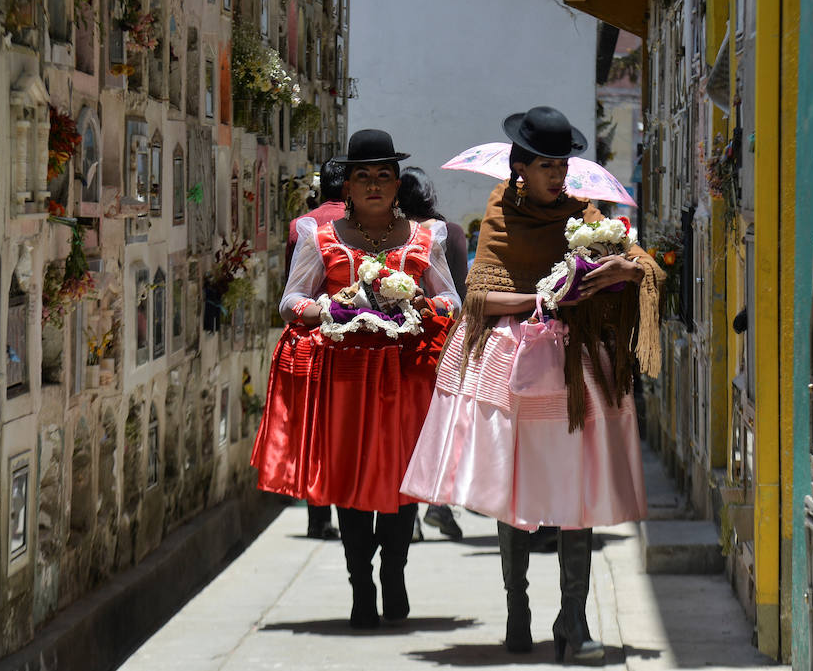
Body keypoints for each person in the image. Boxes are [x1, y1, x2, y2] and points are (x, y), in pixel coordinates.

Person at [402, 106, 663, 662]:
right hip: (514, 367)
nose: (557, 175)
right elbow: (479, 298)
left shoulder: (585, 212)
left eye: (562, 163)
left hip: (580, 367)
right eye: (546, 164)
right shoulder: (501, 215)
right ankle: (517, 608)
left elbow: (635, 261)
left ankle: (574, 620)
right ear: (520, 167)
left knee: (577, 494)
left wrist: (620, 269)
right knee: (513, 495)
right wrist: (544, 297)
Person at [252, 130, 460, 629]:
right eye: (362, 176)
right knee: (350, 481)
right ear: (347, 185)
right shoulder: (318, 237)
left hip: (405, 374)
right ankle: (360, 583)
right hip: (344, 374)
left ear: (396, 183)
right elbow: (290, 301)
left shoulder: (426, 237)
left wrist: (417, 305)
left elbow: (451, 299)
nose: (373, 185)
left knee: (400, 480)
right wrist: (328, 307)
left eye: (383, 176)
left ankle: (394, 572)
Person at [396, 167, 466, 542]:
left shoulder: (395, 237)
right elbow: (461, 293)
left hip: (405, 344)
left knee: (409, 429)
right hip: (447, 340)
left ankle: (412, 514)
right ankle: (437, 504)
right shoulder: (450, 233)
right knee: (443, 426)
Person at [285, 159, 347, 542]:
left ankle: (317, 515)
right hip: (356, 339)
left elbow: (292, 285)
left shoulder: (301, 225)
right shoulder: (371, 227)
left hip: (311, 336)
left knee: (314, 427)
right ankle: (349, 503)